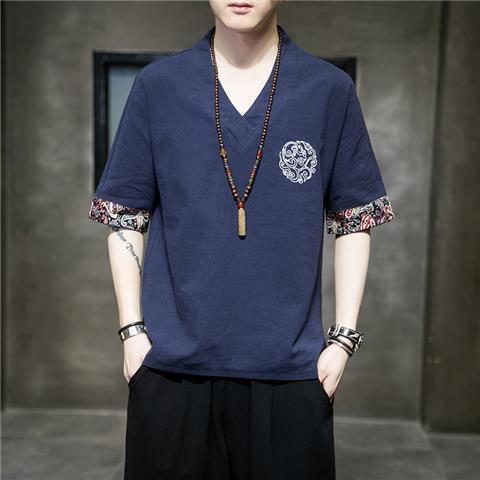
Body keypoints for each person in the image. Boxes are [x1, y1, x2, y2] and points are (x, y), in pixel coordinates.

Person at [88, 1, 396, 479]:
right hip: (172, 367)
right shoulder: (159, 87)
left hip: (291, 370)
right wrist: (132, 334)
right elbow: (124, 213)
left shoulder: (328, 90)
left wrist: (343, 341)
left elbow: (355, 218)